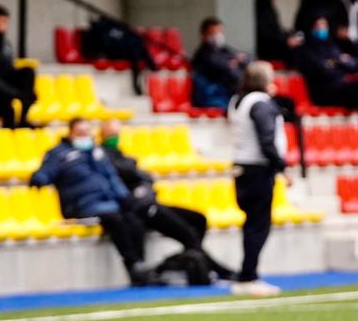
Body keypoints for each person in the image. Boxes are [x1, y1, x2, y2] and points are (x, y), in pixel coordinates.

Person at [98, 119, 235, 282]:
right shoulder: (102, 156)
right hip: (139, 208)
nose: (116, 137)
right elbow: (130, 173)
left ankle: (188, 260)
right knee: (188, 235)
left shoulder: (120, 154)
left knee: (198, 219)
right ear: (103, 135)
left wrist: (141, 181)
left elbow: (145, 178)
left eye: (117, 134)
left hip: (149, 202)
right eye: (112, 134)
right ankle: (215, 269)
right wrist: (137, 176)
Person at [30, 118, 151, 286]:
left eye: (87, 132)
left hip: (106, 202)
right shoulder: (59, 154)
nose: (84, 136)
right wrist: (39, 178)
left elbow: (111, 177)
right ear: (70, 133)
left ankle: (140, 264)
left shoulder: (96, 152)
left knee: (133, 218)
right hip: (80, 205)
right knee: (114, 219)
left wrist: (124, 197)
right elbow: (45, 172)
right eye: (80, 133)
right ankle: (133, 264)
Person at [228, 61, 287, 297]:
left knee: (252, 223)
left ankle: (248, 272)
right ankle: (249, 275)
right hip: (257, 169)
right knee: (258, 225)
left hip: (241, 166)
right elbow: (267, 139)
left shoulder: (238, 100)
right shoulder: (260, 103)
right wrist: (280, 165)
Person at [293, 17, 358, 121]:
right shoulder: (307, 49)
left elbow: (353, 66)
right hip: (323, 93)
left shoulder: (331, 45)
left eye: (324, 25)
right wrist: (339, 63)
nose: (322, 28)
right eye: (318, 25)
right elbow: (322, 70)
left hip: (339, 88)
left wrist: (337, 63)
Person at [191, 17, 249, 109]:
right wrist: (232, 63)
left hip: (227, 94)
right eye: (213, 33)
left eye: (219, 32)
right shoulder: (203, 55)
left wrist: (235, 62)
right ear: (203, 35)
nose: (217, 36)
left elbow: (244, 59)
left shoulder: (223, 49)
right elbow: (226, 68)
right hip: (213, 98)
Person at [254, 0, 301, 65]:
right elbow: (266, 35)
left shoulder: (269, 8)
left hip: (278, 43)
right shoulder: (259, 9)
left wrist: (290, 35)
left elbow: (276, 29)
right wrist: (286, 41)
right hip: (268, 49)